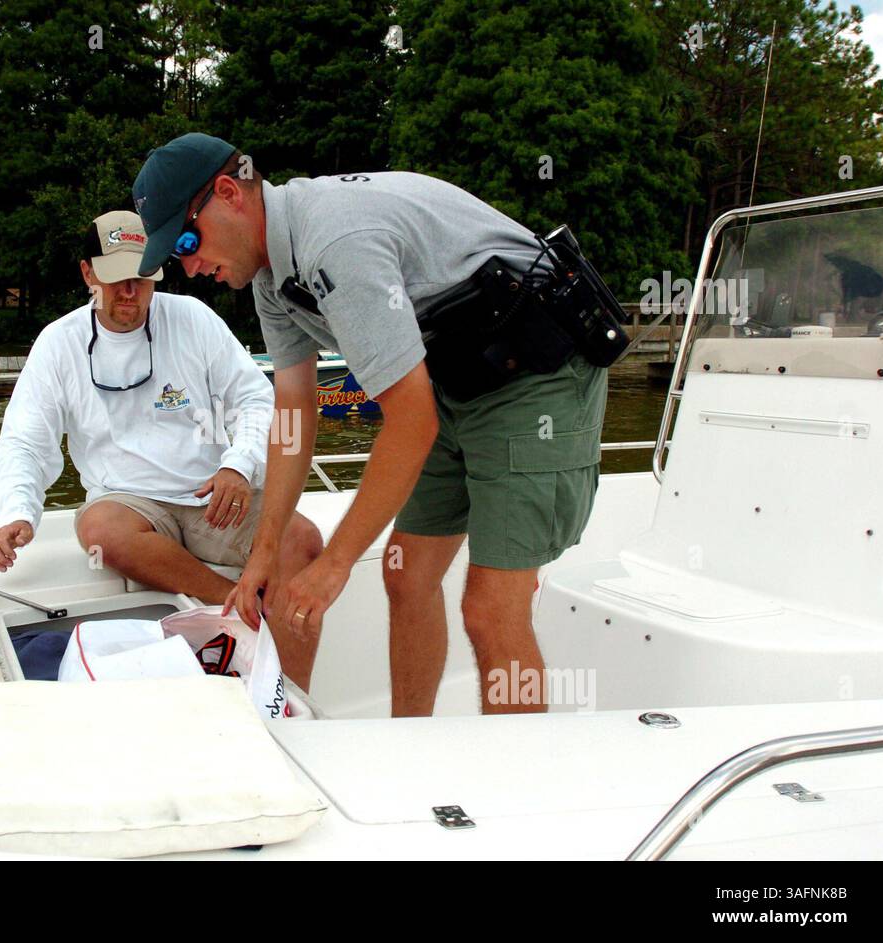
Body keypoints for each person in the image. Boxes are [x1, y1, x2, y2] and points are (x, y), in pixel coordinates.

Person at [132, 134, 610, 715]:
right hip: (453, 379)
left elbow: (410, 419)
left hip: (537, 375)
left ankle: (510, 789)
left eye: (185, 241)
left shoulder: (335, 242)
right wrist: (264, 552)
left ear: (229, 193)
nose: (188, 266)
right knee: (406, 576)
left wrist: (332, 566)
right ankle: (409, 742)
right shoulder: (270, 278)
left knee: (489, 609)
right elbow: (292, 411)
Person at [0, 210, 323, 684]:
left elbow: (254, 398)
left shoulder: (193, 319)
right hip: (129, 503)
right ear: (88, 273)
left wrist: (239, 465)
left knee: (302, 541)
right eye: (116, 278)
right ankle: (233, 604)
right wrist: (18, 512)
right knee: (102, 530)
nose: (130, 291)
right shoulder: (58, 344)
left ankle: (289, 699)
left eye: (143, 277)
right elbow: (24, 438)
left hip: (212, 493)